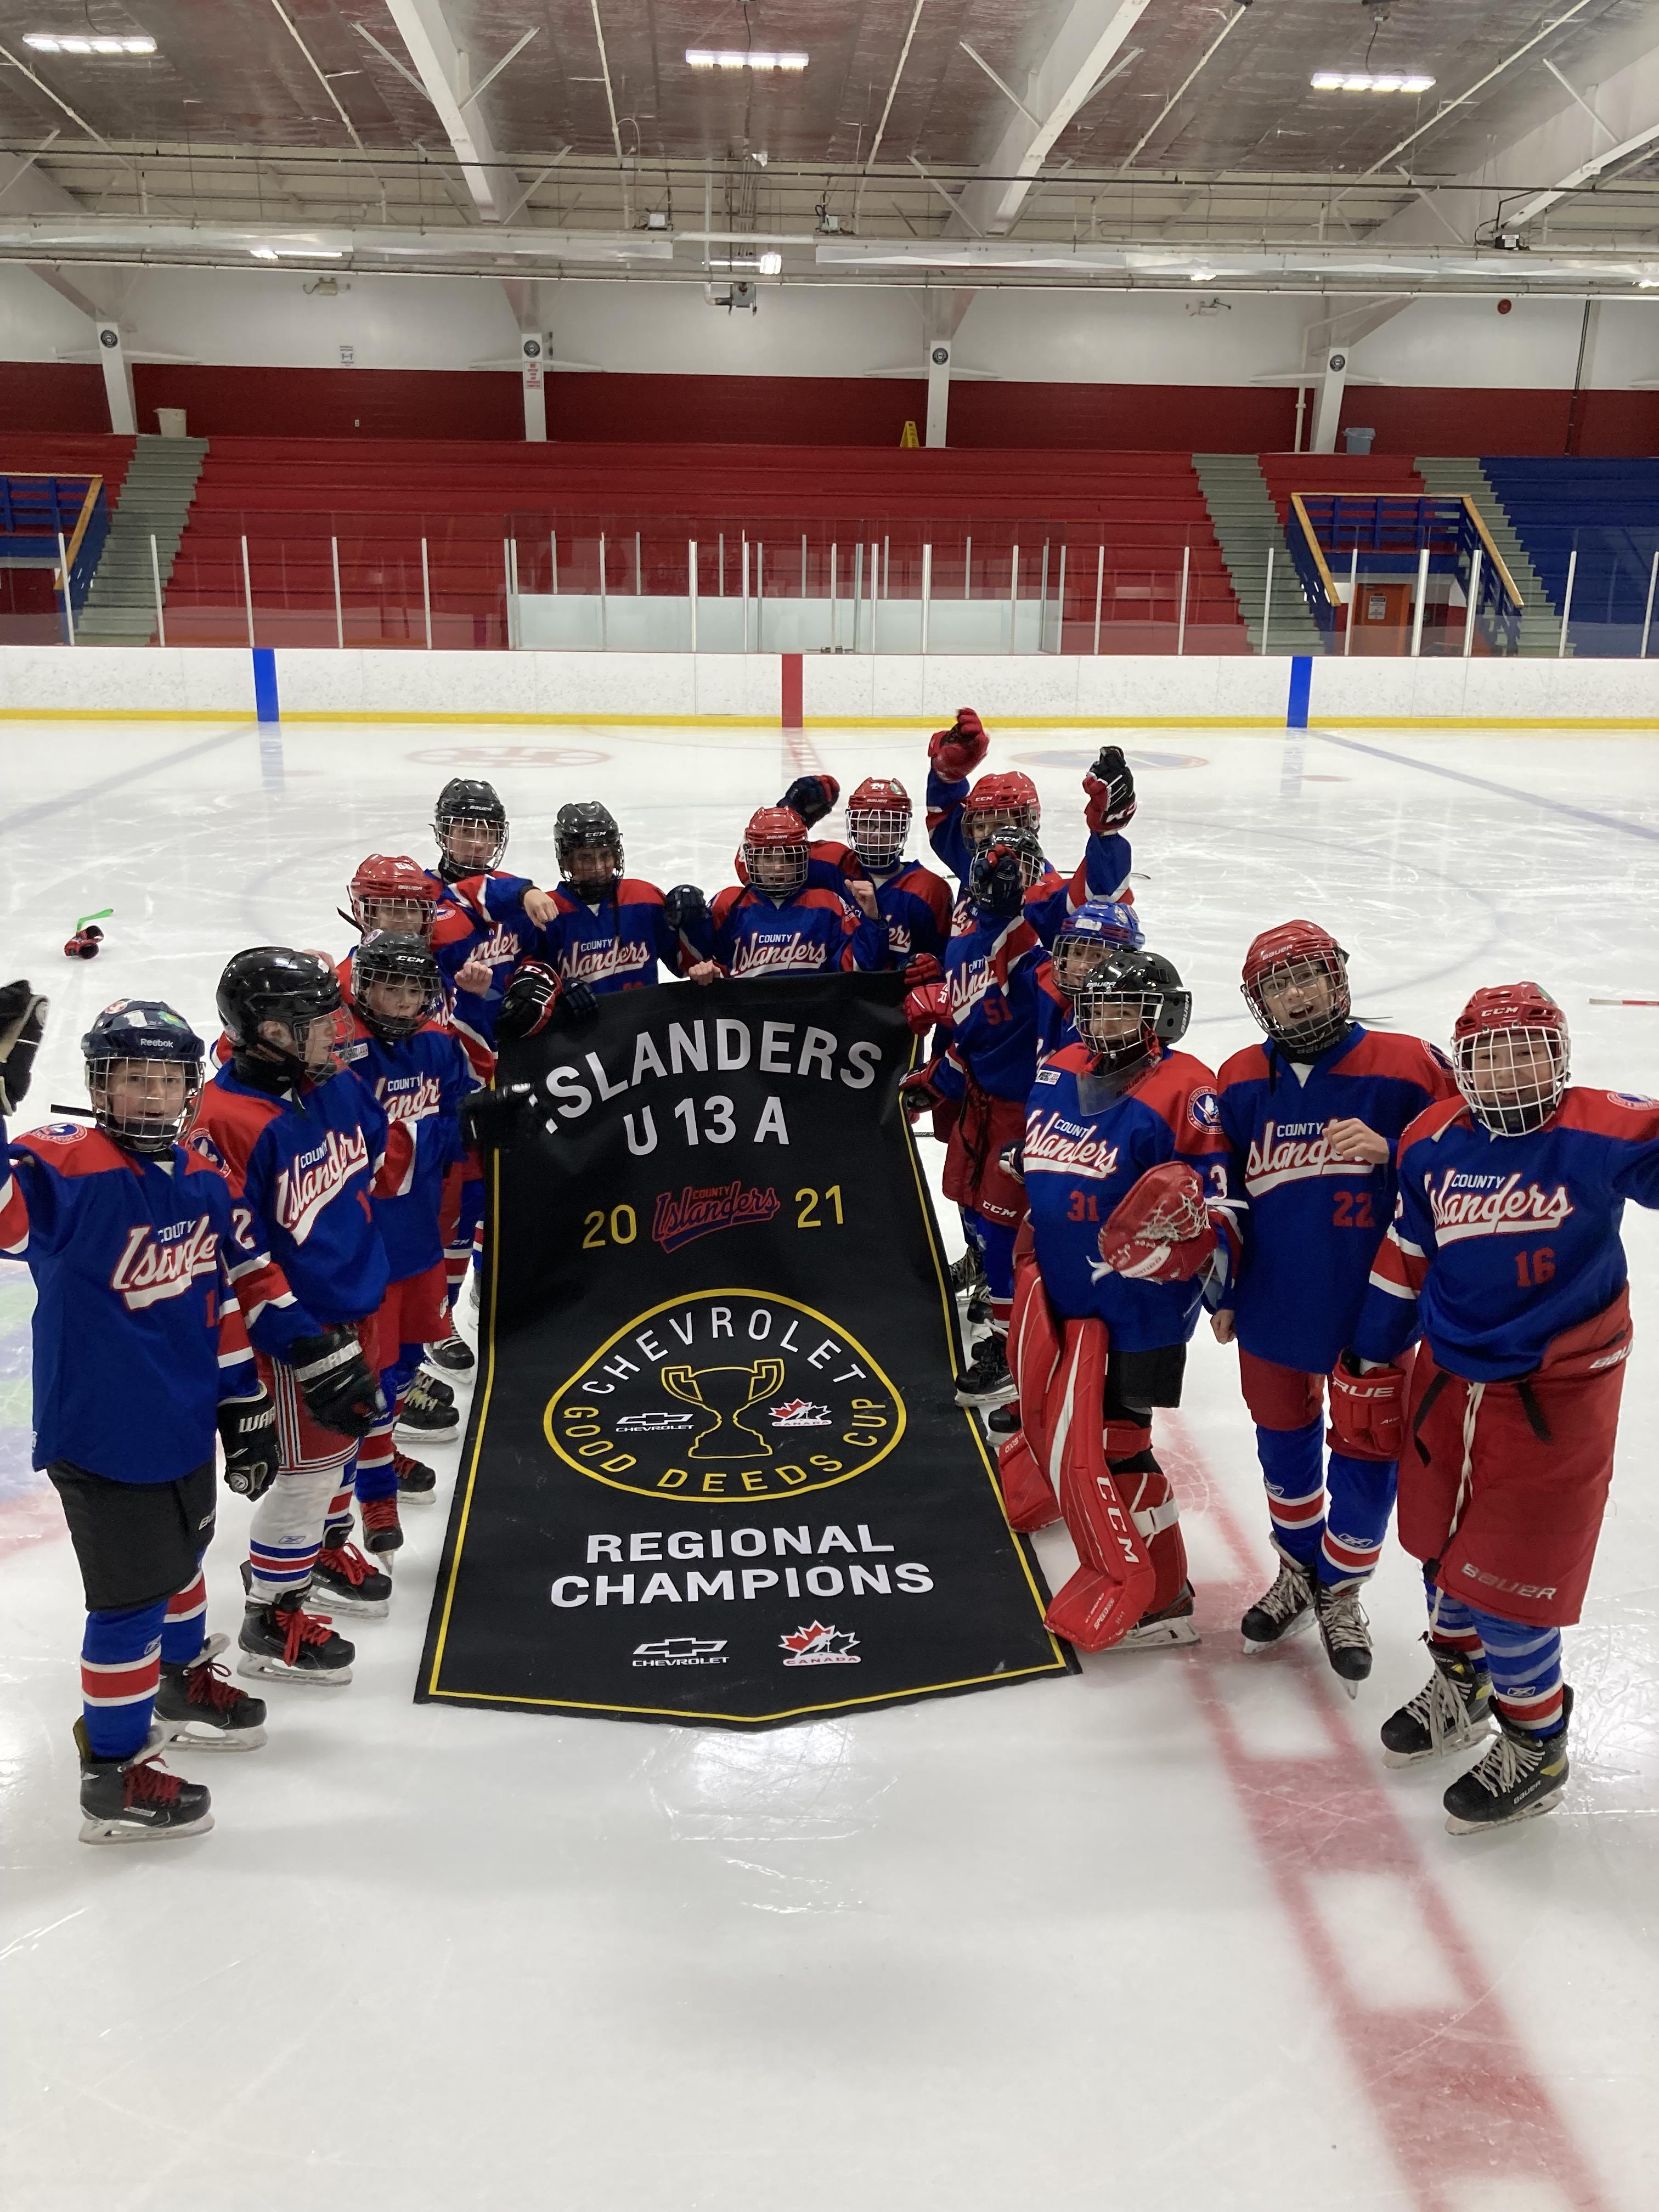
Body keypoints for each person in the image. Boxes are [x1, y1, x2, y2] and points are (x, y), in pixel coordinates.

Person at [1336, 983, 1659, 1834]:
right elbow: (1412, 1246)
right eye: (1491, 1052)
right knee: (1442, 1551)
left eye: (1530, 1049)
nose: (1512, 1068)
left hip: (1557, 1395)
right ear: (1463, 1064)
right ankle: (1464, 1681)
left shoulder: (1601, 1128)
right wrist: (1373, 1345)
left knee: (1514, 1586)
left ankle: (1536, 1740)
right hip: (1447, 1378)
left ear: (1560, 1056)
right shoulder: (1430, 1140)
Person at [2, 998, 287, 1843]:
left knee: (187, 1559)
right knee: (128, 1604)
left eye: (167, 1079)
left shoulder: (200, 1170)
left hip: (181, 1413)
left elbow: (219, 1300)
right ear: (99, 1085)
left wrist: (243, 1407)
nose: (153, 1096)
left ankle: (181, 1678)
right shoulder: (60, 1164)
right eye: (134, 1079)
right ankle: (114, 1773)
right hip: (100, 1427)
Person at [1212, 921, 1458, 1689]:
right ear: (1260, 1003)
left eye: (1307, 976)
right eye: (1278, 985)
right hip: (1274, 1302)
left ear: (1337, 977)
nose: (1295, 994)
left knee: (1367, 1447)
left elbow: (1468, 1162)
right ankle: (1298, 1572)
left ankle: (1338, 1588)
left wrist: (1396, 1151)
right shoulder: (1239, 1078)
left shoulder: (1409, 1065)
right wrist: (1218, 1287)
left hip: (1376, 1305)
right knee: (1282, 1449)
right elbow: (1219, 1194)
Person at [1017, 948, 1237, 1651]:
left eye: (1126, 1009)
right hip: (1062, 1291)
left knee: (1119, 1442)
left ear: (1162, 1015)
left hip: (1139, 1309)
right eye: (1099, 1007)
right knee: (1071, 1428)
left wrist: (1197, 1253)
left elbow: (1221, 1205)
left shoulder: (1187, 1087)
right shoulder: (1058, 1067)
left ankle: (1164, 1594)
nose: (1107, 1021)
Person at [190, 948, 391, 1689]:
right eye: (313, 1023)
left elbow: (372, 1159)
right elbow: (235, 1253)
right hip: (294, 1331)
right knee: (305, 1475)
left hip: (352, 1302)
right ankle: (270, 1617)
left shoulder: (330, 1087)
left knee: (339, 1452)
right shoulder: (224, 1121)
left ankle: (319, 1549)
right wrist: (302, 1340)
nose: (333, 1032)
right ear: (270, 1031)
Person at [328, 930, 477, 1588]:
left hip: (414, 1232)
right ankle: (369, 1490)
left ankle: (375, 1465)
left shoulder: (439, 1045)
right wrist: (463, 1126)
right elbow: (362, 1150)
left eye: (415, 987)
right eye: (390, 985)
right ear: (361, 987)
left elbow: (447, 1134)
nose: (403, 998)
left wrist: (466, 1127)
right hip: (361, 1243)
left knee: (406, 1362)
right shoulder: (339, 1052)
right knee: (367, 1377)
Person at [901, 831, 1067, 1406]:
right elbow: (970, 1038)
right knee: (967, 1206)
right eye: (991, 868)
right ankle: (999, 1300)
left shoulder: (1042, 947)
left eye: (1015, 868)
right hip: (978, 1103)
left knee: (1002, 1228)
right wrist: (935, 1079)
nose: (1001, 878)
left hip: (1028, 1112)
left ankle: (1006, 1343)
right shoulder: (962, 945)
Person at [923, 709, 1138, 933]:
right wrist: (947, 773)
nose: (988, 836)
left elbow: (1103, 896)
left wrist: (1106, 833)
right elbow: (943, 818)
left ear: (1028, 825)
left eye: (999, 825)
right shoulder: (976, 866)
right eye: (979, 826)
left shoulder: (1045, 895)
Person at [535, 799, 709, 994]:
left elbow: (686, 965)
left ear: (617, 856)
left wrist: (694, 923)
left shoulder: (645, 898)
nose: (598, 867)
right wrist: (558, 991)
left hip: (644, 1022)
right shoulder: (547, 912)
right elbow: (531, 982)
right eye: (585, 858)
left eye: (605, 855)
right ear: (566, 861)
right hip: (577, 1024)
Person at [694, 807, 888, 980]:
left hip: (812, 1019)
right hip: (751, 1020)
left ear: (803, 858)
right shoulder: (728, 904)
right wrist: (710, 972)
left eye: (788, 857)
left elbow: (859, 969)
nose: (778, 868)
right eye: (767, 857)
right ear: (751, 859)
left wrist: (873, 920)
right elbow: (706, 962)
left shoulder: (829, 904)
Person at [843, 776, 953, 966]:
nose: (877, 835)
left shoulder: (930, 890)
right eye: (867, 824)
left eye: (888, 825)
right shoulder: (837, 870)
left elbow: (949, 958)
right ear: (853, 827)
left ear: (902, 829)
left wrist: (935, 967)